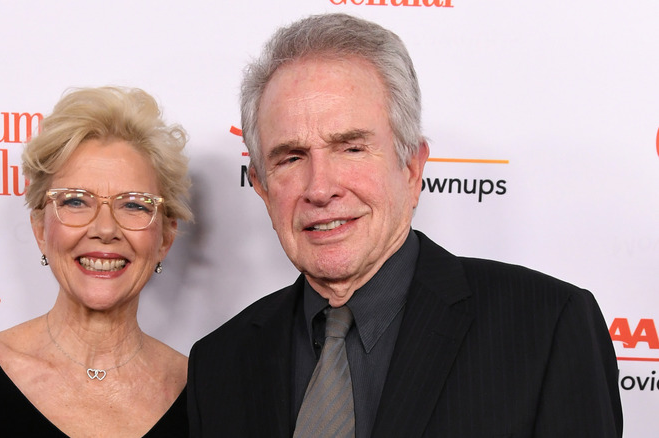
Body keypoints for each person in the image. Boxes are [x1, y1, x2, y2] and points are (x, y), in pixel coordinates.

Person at [187, 13, 622, 438]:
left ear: (412, 168)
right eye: (292, 158)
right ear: (261, 186)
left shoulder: (546, 327)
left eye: (352, 148)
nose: (320, 189)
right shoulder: (220, 362)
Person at [0, 87, 192, 437]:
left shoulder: (205, 394)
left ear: (165, 237)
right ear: (41, 228)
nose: (105, 229)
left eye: (134, 204)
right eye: (75, 201)